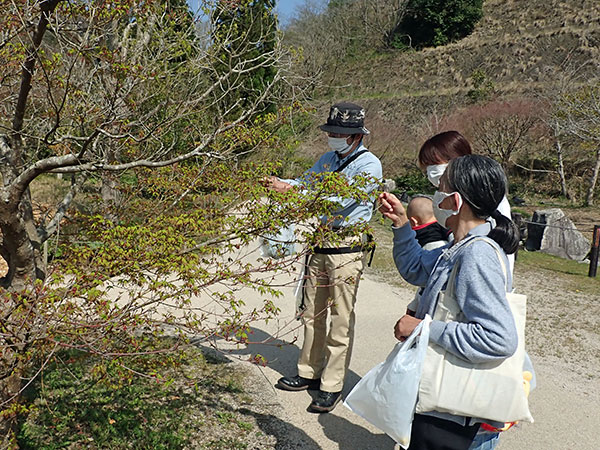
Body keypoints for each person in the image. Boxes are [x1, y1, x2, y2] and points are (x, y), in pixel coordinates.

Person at [379, 154, 520, 450]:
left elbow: (499, 338)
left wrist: (424, 328)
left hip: (461, 423)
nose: (435, 194)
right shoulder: (459, 246)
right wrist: (403, 224)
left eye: (441, 186)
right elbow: (416, 268)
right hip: (449, 414)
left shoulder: (476, 255)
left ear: (456, 201)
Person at [265, 102, 382, 413]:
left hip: (347, 244)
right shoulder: (327, 159)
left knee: (340, 319)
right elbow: (307, 184)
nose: (333, 137)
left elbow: (338, 200)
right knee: (312, 313)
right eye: (331, 131)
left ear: (356, 135)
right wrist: (284, 185)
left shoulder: (370, 166)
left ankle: (332, 384)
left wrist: (294, 194)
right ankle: (308, 372)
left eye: (339, 133)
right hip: (320, 242)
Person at [418, 130, 514, 274]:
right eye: (427, 166)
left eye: (434, 163)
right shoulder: (447, 194)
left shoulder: (485, 197)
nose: (430, 171)